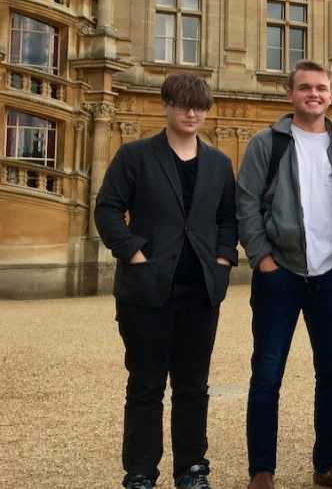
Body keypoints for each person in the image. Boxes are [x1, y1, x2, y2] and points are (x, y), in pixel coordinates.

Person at [94, 73, 238, 489]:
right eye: (182, 105)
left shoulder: (218, 162)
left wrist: (224, 258)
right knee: (146, 386)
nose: (191, 113)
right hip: (146, 292)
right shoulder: (136, 155)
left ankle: (192, 468)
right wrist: (135, 253)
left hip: (200, 293)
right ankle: (140, 472)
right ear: (165, 107)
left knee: (193, 387)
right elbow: (107, 209)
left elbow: (228, 218)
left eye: (199, 106)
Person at [236, 60, 332, 489]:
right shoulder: (267, 143)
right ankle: (262, 470)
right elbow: (247, 204)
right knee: (267, 374)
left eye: (321, 88)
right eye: (305, 88)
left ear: (331, 95)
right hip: (281, 274)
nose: (314, 94)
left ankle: (325, 463)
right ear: (290, 93)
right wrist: (263, 259)